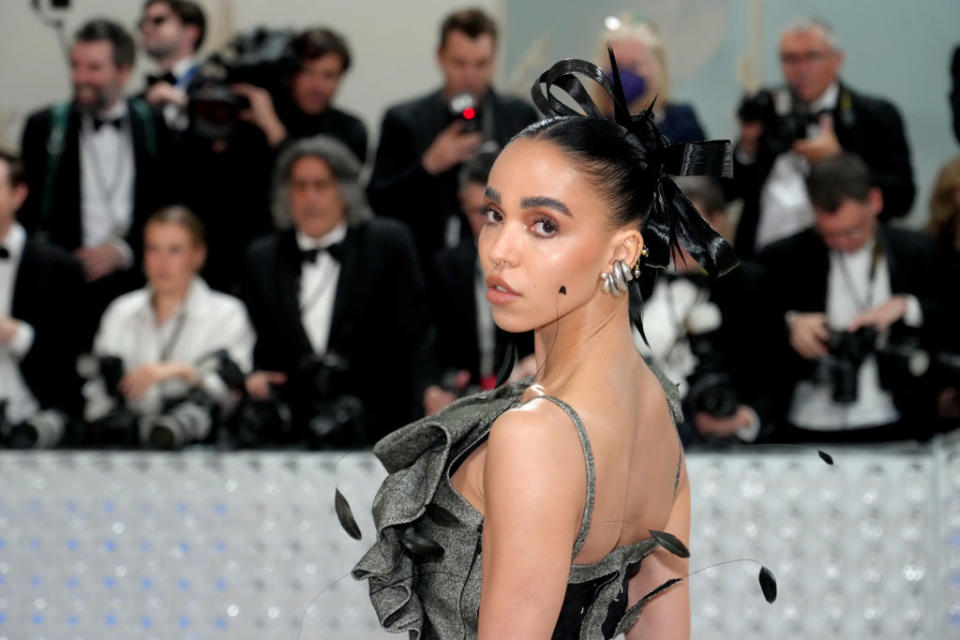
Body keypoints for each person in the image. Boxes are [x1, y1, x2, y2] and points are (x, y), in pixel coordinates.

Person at [353, 55, 741, 638]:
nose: (499, 250)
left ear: (624, 251)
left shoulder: (536, 436)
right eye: (493, 213)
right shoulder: (658, 408)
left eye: (544, 225)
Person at [243, 136, 428, 446]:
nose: (309, 197)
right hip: (290, 434)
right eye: (299, 186)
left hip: (379, 429)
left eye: (320, 185)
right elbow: (259, 344)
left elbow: (414, 335)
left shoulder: (388, 244)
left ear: (344, 191)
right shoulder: (262, 258)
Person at [759, 154, 948, 443]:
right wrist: (791, 323)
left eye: (853, 231)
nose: (842, 243)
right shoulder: (783, 257)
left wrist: (908, 307)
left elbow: (951, 314)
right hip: (807, 420)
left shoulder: (918, 251)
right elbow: (748, 327)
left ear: (875, 201)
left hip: (897, 417)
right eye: (829, 234)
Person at [18, 18, 177, 345]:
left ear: (124, 71)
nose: (80, 78)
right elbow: (30, 210)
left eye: (93, 68)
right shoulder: (44, 126)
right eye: (76, 66)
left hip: (138, 282)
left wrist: (123, 249)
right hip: (65, 286)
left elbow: (166, 201)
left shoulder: (152, 125)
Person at [366, 8, 538, 279]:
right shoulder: (404, 121)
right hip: (420, 269)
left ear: (494, 61)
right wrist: (428, 166)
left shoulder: (518, 117)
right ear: (440, 57)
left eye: (481, 64)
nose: (470, 75)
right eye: (459, 63)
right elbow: (376, 203)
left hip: (503, 266)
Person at [729, 17, 915, 258]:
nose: (801, 69)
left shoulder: (873, 115)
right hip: (763, 259)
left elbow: (902, 199)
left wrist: (838, 160)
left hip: (841, 257)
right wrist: (748, 147)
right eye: (790, 59)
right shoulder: (768, 110)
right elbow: (726, 191)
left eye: (812, 56)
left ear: (837, 60)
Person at [84, 206, 254, 449]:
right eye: (154, 249)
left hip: (205, 451)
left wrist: (184, 371)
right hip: (129, 449)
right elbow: (98, 390)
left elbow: (233, 393)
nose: (162, 262)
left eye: (175, 250)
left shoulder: (227, 314)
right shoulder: (120, 311)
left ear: (198, 255)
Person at [639, 176, 772, 445]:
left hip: (721, 440)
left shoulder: (749, 284)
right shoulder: (633, 280)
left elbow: (773, 369)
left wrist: (747, 419)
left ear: (717, 222)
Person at [423, 150, 535, 416]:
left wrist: (538, 361)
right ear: (463, 206)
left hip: (527, 395)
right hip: (463, 399)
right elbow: (427, 340)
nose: (488, 224)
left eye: (497, 213)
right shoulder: (446, 266)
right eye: (479, 212)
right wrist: (431, 388)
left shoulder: (538, 263)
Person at [0, 151, 85, 448]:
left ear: (18, 194)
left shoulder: (60, 268)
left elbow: (71, 358)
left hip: (39, 425)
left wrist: (17, 335)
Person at [231, 27, 368, 162]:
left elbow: (310, 179)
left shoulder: (351, 131)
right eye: (307, 72)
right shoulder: (255, 121)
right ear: (291, 74)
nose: (317, 86)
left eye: (328, 76)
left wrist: (273, 130)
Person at [600, 16, 707, 144]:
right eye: (617, 64)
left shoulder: (682, 122)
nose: (622, 74)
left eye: (633, 65)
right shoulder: (589, 125)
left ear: (658, 67)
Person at [138, 0, 206, 130]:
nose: (146, 28)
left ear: (191, 31)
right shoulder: (140, 99)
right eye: (142, 23)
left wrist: (188, 106)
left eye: (158, 21)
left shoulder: (212, 84)